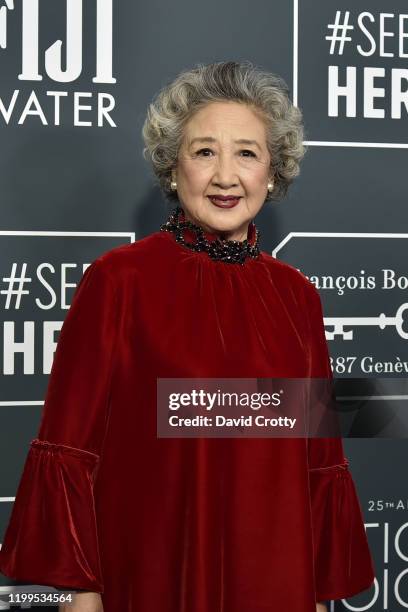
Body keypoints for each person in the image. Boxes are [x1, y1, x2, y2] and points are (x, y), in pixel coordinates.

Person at [0, 60, 375, 612]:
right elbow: (69, 447)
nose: (226, 175)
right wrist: (82, 592)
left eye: (246, 153)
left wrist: (316, 595)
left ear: (272, 172)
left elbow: (318, 459)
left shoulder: (298, 297)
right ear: (174, 169)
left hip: (275, 579)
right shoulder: (118, 280)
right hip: (153, 573)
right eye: (204, 152)